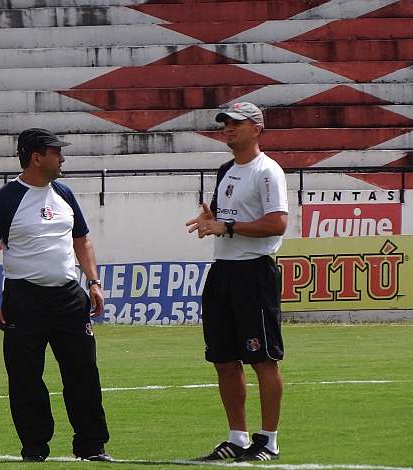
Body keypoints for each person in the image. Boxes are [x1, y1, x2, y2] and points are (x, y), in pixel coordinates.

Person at [0, 128, 112, 463]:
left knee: (83, 373)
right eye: (56, 152)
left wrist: (93, 282)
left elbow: (82, 240)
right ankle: (35, 447)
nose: (62, 158)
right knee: (25, 378)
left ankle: (91, 446)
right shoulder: (6, 198)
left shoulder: (64, 193)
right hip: (24, 299)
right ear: (36, 157)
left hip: (69, 297)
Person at [186, 102, 288, 462]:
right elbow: (227, 217)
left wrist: (227, 226)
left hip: (254, 272)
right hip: (223, 270)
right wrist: (212, 219)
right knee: (224, 359)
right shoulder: (226, 169)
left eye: (237, 123)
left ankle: (269, 441)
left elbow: (277, 223)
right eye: (225, 123)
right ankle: (238, 439)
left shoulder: (267, 171)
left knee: (262, 359)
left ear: (256, 129)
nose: (228, 128)